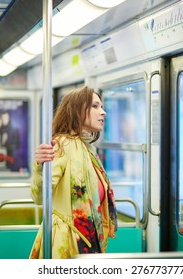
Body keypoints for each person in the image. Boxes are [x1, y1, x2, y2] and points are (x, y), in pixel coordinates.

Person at [29, 86, 117, 259]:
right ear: (77, 110)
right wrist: (39, 167)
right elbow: (39, 197)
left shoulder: (88, 149)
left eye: (101, 106)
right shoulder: (64, 145)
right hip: (66, 240)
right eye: (95, 106)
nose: (103, 112)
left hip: (87, 236)